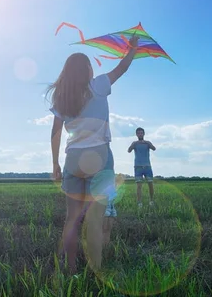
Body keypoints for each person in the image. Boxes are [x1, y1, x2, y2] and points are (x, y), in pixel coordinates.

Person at [48, 35, 139, 274]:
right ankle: (96, 271)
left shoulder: (61, 96)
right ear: (87, 69)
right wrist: (132, 48)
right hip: (99, 158)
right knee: (95, 222)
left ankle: (70, 270)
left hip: (73, 160)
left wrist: (55, 164)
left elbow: (55, 133)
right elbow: (122, 67)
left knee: (71, 219)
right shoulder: (98, 85)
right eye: (90, 65)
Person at [128, 127, 156, 207]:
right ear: (136, 134)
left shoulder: (147, 143)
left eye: (141, 133)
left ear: (144, 134)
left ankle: (151, 201)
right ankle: (139, 203)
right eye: (138, 133)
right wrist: (132, 145)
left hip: (147, 166)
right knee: (139, 186)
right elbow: (129, 150)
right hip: (138, 167)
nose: (140, 134)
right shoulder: (135, 143)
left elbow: (154, 149)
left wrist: (149, 144)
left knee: (150, 184)